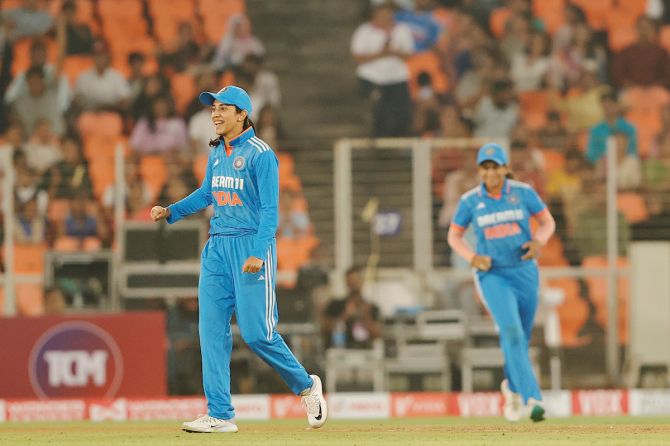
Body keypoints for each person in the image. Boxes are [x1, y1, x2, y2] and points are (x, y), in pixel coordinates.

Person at [150, 85, 327, 433]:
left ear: (242, 114)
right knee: (211, 332)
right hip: (216, 247)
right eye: (213, 108)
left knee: (257, 334)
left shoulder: (262, 155)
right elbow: (206, 194)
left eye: (223, 109)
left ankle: (307, 387)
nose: (215, 114)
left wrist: (259, 254)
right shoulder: (216, 151)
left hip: (249, 247)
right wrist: (171, 211)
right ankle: (219, 413)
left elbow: (270, 212)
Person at [447, 143, 556, 423]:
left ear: (506, 169)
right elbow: (454, 236)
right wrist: (472, 257)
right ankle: (533, 398)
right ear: (479, 171)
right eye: (485, 167)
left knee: (522, 337)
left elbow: (547, 222)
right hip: (493, 274)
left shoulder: (523, 193)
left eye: (496, 167)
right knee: (511, 332)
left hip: (525, 271)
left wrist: (538, 242)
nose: (491, 173)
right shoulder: (470, 201)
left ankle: (510, 387)